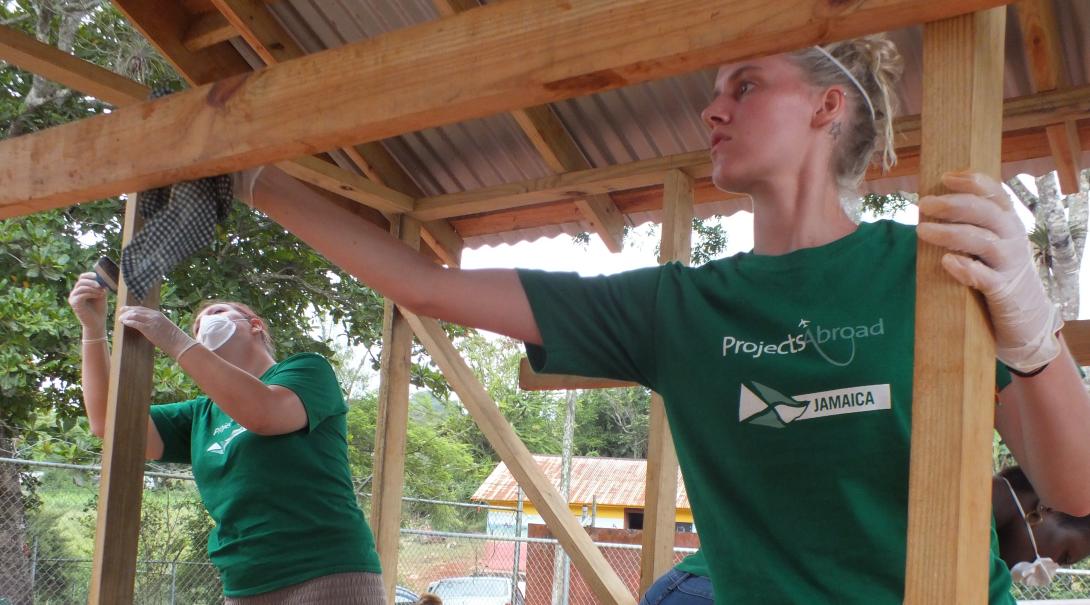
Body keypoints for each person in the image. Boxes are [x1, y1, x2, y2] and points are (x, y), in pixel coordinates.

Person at [236, 35, 1090, 604]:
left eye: (744, 87)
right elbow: (424, 284)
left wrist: (1033, 330)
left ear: (828, 107)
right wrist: (254, 180)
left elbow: (1077, 489)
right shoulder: (675, 306)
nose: (711, 110)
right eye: (713, 93)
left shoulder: (931, 267)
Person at [67, 285, 384, 603]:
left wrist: (176, 340)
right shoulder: (200, 414)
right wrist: (93, 330)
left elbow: (264, 413)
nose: (205, 323)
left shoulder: (307, 370)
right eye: (196, 326)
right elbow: (109, 423)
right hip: (244, 583)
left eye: (217, 313)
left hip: (329, 572)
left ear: (255, 324)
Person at [643, 465, 1090, 603]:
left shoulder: (965, 513)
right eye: (1064, 554)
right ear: (1045, 509)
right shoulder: (952, 507)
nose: (1048, 569)